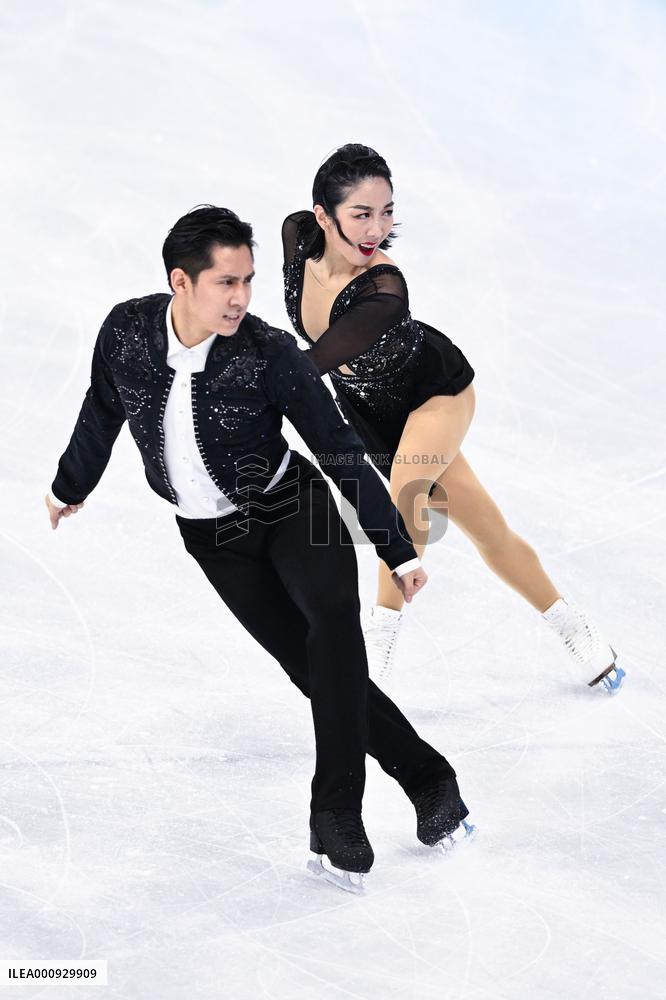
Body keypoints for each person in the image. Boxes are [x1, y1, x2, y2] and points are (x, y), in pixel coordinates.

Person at [45, 205, 474, 895]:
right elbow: (103, 407)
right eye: (225, 283)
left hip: (290, 509)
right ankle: (430, 776)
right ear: (180, 283)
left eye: (247, 279)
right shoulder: (127, 333)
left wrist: (396, 548)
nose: (242, 297)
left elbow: (335, 443)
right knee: (314, 671)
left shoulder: (266, 352)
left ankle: (336, 816)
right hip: (213, 539)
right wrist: (71, 486)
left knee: (333, 629)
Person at [281, 144, 625, 694]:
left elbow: (310, 365)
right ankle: (574, 627)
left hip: (433, 394)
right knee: (488, 530)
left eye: (387, 211)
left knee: (405, 498)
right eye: (361, 214)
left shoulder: (383, 291)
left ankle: (374, 656)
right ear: (323, 215)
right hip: (372, 414)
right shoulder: (297, 238)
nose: (377, 228)